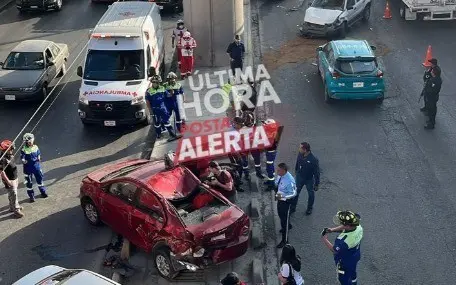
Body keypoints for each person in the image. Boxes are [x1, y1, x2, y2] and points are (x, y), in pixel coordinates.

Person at [321, 210, 363, 285]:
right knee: (353, 271)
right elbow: (345, 227)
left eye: (343, 223)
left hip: (345, 262)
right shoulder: (358, 227)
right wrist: (332, 230)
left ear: (348, 226)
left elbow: (334, 250)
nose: (342, 224)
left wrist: (324, 238)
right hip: (355, 256)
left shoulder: (343, 241)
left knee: (343, 279)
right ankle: (354, 282)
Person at [145, 75, 178, 140]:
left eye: (157, 82)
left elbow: (168, 95)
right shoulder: (148, 91)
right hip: (155, 109)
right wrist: (150, 111)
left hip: (163, 108)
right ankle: (158, 134)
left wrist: (171, 93)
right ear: (152, 82)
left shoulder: (162, 88)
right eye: (154, 82)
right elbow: (147, 102)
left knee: (166, 121)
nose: (155, 83)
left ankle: (171, 134)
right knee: (157, 123)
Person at [291, 142, 320, 215]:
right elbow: (297, 162)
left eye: (300, 148)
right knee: (296, 193)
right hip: (299, 177)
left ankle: (309, 208)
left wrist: (316, 184)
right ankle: (293, 207)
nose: (299, 149)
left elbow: (317, 173)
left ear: (305, 150)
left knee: (311, 194)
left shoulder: (313, 160)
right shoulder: (300, 154)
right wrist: (296, 170)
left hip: (309, 180)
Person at [275, 163, 297, 248]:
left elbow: (294, 193)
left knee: (284, 220)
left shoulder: (290, 180)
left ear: (284, 170)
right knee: (280, 215)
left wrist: (283, 197)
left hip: (286, 202)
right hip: (279, 198)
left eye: (279, 170)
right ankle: (288, 225)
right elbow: (277, 183)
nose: (277, 172)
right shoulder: (280, 176)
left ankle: (285, 240)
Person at [21, 133, 48, 202]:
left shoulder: (35, 147)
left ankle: (43, 192)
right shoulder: (24, 149)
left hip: (36, 167)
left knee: (40, 180)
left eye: (31, 141)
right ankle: (31, 196)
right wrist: (23, 160)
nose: (30, 143)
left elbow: (38, 153)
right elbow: (22, 157)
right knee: (29, 183)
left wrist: (38, 158)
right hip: (28, 169)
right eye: (28, 142)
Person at [1, 140, 24, 218]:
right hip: (9, 179)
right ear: (6, 150)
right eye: (11, 149)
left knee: (12, 193)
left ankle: (12, 207)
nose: (13, 150)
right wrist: (8, 182)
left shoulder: (9, 154)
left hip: (14, 177)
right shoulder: (2, 159)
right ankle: (16, 210)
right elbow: (2, 172)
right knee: (13, 194)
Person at [263, 119, 279, 189]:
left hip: (271, 152)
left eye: (266, 125)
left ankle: (271, 184)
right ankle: (270, 180)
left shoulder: (272, 133)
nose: (264, 126)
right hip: (270, 152)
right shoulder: (272, 132)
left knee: (269, 168)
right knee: (270, 166)